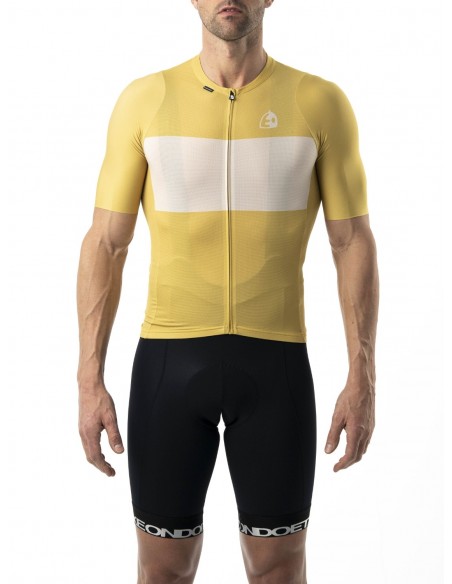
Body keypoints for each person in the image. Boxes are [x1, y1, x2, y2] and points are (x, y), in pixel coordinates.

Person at [76, 1, 379, 582]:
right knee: (162, 570)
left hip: (276, 367)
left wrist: (362, 374)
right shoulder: (146, 100)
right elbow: (106, 244)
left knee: (279, 568)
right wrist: (89, 380)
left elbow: (351, 242)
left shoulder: (319, 102)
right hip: (169, 364)